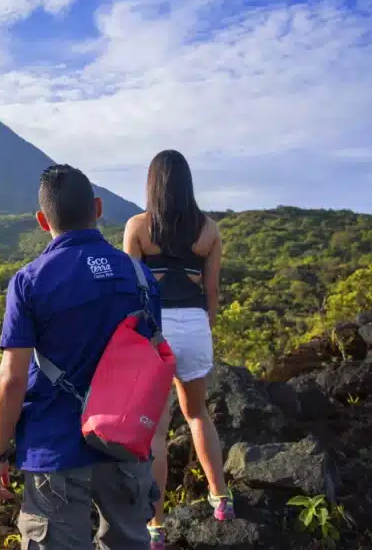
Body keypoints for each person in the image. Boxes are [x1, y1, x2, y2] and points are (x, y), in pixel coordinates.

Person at [0, 164, 162, 549]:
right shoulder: (139, 276)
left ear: (41, 220)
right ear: (98, 208)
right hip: (126, 446)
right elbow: (154, 365)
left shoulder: (30, 280)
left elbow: (11, 378)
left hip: (55, 446)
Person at [123, 149, 234, 550]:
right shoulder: (209, 230)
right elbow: (212, 291)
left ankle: (156, 527)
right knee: (198, 414)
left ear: (153, 183)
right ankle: (221, 499)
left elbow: (131, 292)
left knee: (154, 430)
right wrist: (204, 326)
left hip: (154, 329)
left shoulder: (138, 227)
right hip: (193, 324)